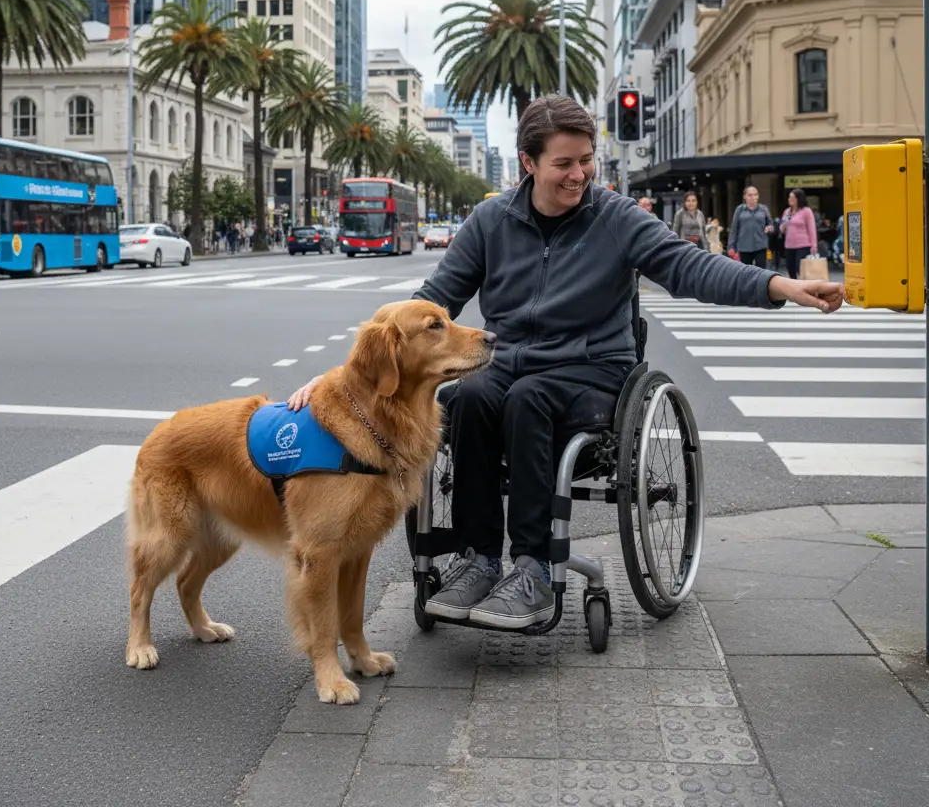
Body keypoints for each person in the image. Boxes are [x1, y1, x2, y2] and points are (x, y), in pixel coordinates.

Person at [287, 95, 844, 629]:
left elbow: (690, 266)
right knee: (471, 398)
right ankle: (480, 560)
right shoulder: (490, 221)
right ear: (528, 163)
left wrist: (777, 285)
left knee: (530, 399)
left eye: (586, 161)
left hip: (593, 371)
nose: (579, 174)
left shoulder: (618, 219)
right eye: (564, 164)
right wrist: (349, 378)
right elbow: (426, 306)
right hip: (509, 364)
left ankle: (531, 566)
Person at [727, 186, 774, 269]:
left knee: (762, 271)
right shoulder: (739, 209)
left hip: (760, 246)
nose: (753, 197)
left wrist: (769, 228)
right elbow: (734, 229)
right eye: (750, 195)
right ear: (744, 196)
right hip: (744, 247)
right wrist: (731, 246)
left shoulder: (763, 209)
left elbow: (770, 224)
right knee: (745, 272)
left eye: (755, 194)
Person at [779, 188, 818, 279]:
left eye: (792, 198)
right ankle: (793, 289)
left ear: (798, 199)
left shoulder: (806, 211)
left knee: (800, 268)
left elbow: (812, 229)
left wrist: (814, 245)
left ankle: (804, 287)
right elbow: (782, 229)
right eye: (789, 198)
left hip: (803, 245)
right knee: (790, 268)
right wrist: (783, 226)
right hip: (789, 245)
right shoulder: (787, 212)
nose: (790, 200)